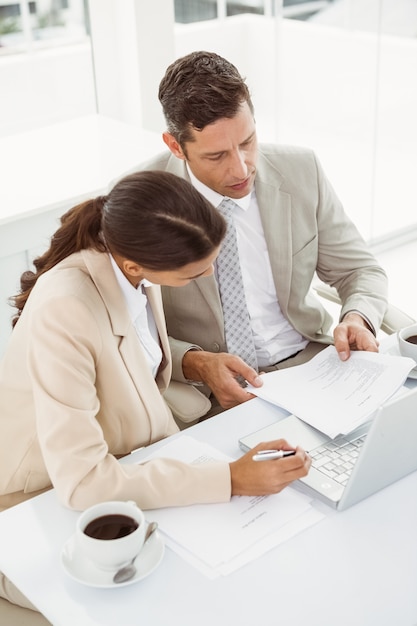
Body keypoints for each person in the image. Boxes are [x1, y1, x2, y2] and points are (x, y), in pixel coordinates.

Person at [0, 170, 311, 612]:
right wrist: (229, 478)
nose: (206, 277)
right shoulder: (65, 309)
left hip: (128, 462)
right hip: (39, 502)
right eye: (193, 274)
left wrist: (199, 367)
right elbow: (84, 482)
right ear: (134, 265)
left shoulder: (131, 268)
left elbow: (134, 371)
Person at [138, 51, 388, 417]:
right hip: (208, 395)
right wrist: (194, 362)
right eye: (216, 156)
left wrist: (357, 318)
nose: (241, 168)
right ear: (176, 146)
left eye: (247, 142)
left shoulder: (302, 169)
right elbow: (128, 329)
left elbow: (360, 272)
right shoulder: (139, 201)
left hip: (311, 367)